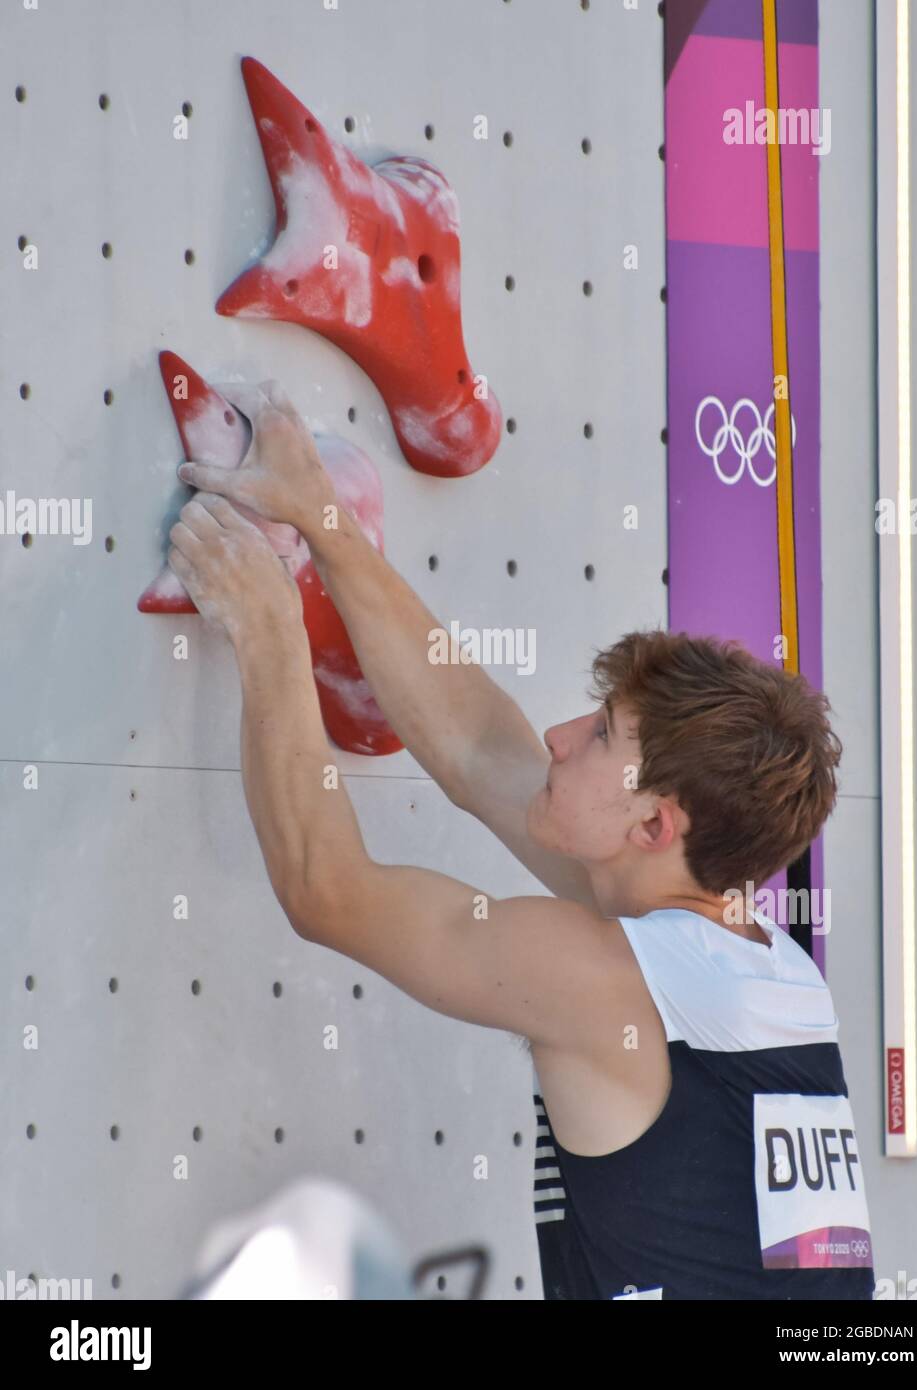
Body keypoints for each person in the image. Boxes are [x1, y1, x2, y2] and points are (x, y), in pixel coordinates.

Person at [168, 379, 874, 1301]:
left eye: (600, 736)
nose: (557, 737)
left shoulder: (609, 983)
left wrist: (265, 625)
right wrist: (320, 519)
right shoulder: (761, 970)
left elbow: (326, 889)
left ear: (654, 826)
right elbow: (476, 747)